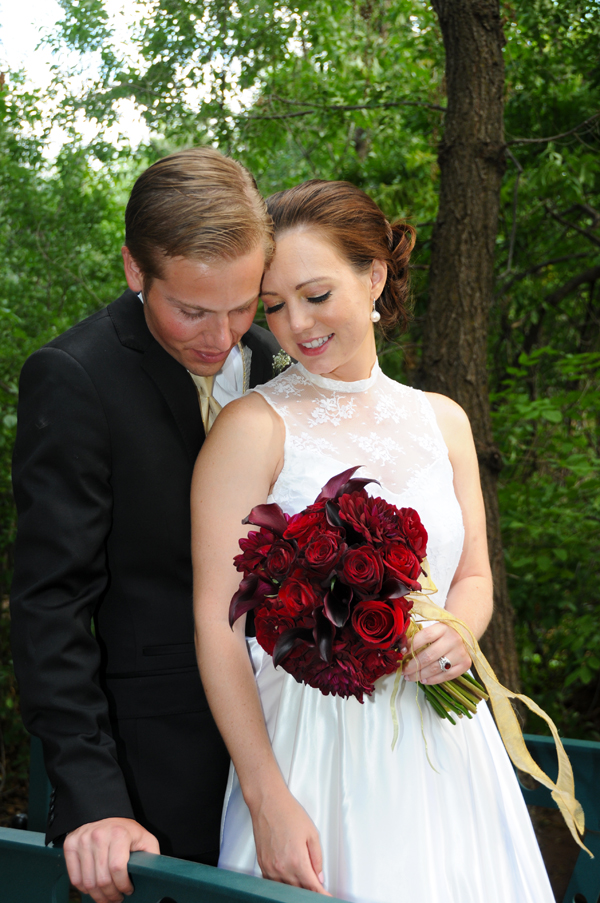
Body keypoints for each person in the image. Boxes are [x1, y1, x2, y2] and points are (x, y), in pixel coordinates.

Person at [191, 180, 554, 903]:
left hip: (450, 746)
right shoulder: (252, 428)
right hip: (316, 756)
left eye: (316, 294)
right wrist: (268, 798)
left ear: (375, 276)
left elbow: (473, 575)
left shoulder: (443, 419)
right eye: (274, 305)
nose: (295, 323)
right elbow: (216, 623)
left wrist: (460, 636)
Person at [10, 146, 281, 903]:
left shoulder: (273, 361)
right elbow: (49, 609)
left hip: (294, 748)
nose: (223, 336)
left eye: (243, 304)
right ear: (136, 270)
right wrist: (95, 795)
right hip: (153, 771)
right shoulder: (74, 377)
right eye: (192, 309)